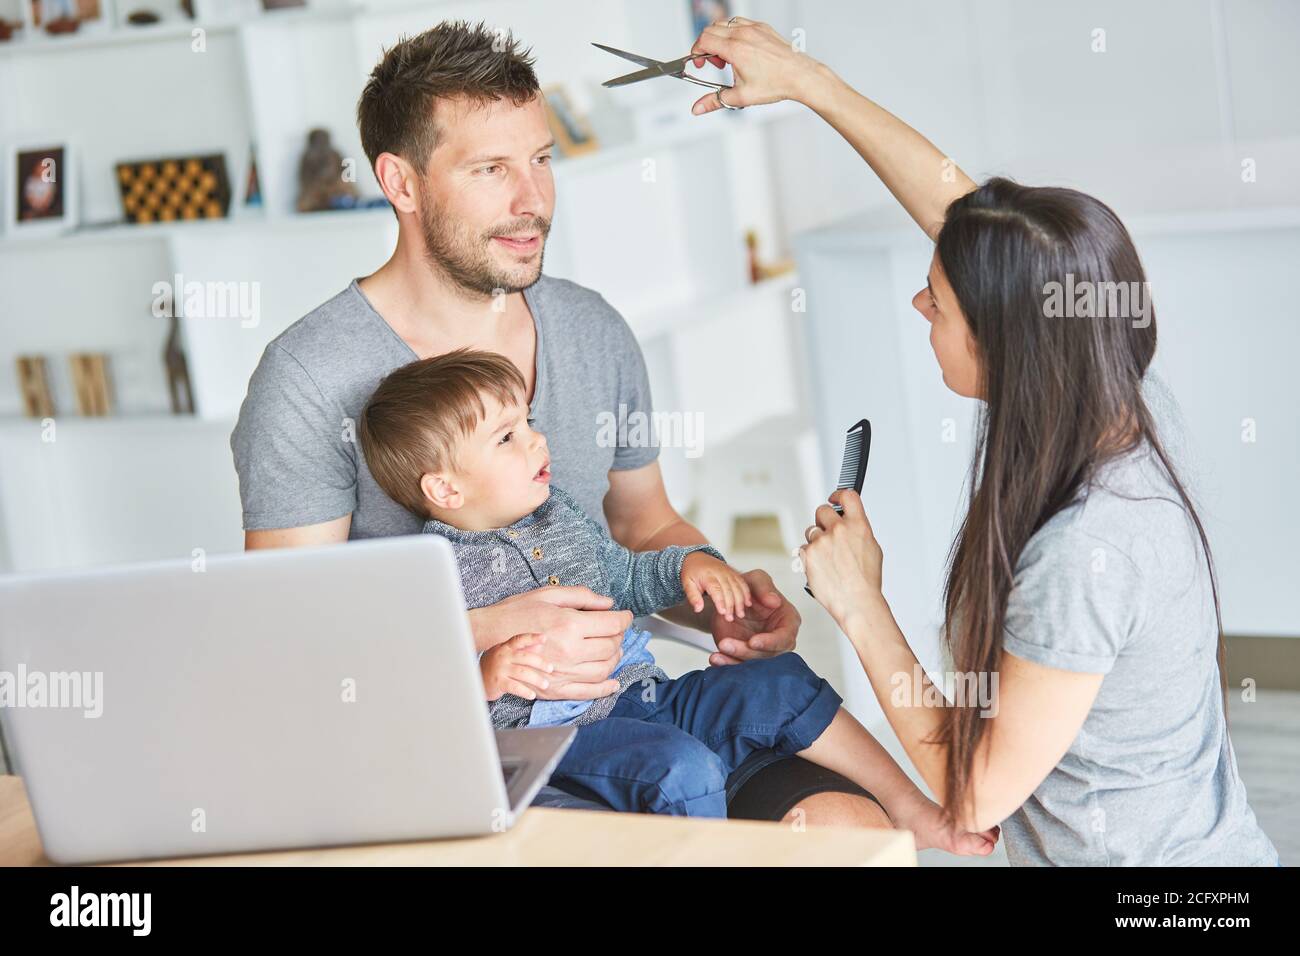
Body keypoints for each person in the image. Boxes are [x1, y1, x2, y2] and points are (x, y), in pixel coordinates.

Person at [230, 20, 881, 824]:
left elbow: (642, 523)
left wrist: (714, 591)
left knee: (852, 833)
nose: (532, 200)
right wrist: (505, 628)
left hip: (636, 708)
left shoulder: (592, 328)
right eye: (491, 169)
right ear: (401, 183)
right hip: (468, 749)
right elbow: (293, 638)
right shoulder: (307, 378)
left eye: (541, 160)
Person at [692, 15, 1281, 865]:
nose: (919, 308)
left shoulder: (1088, 549)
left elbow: (976, 795)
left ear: (1003, 339)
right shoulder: (1112, 385)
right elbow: (976, 227)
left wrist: (859, 604)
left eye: (937, 300)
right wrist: (806, 81)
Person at [352, 348, 996, 853]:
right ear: (444, 488)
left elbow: (627, 577)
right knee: (679, 771)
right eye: (506, 438)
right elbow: (410, 677)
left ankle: (911, 808)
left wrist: (691, 566)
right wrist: (487, 678)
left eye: (530, 422)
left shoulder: (561, 517)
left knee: (777, 681)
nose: (536, 442)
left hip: (646, 697)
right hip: (560, 744)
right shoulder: (430, 573)